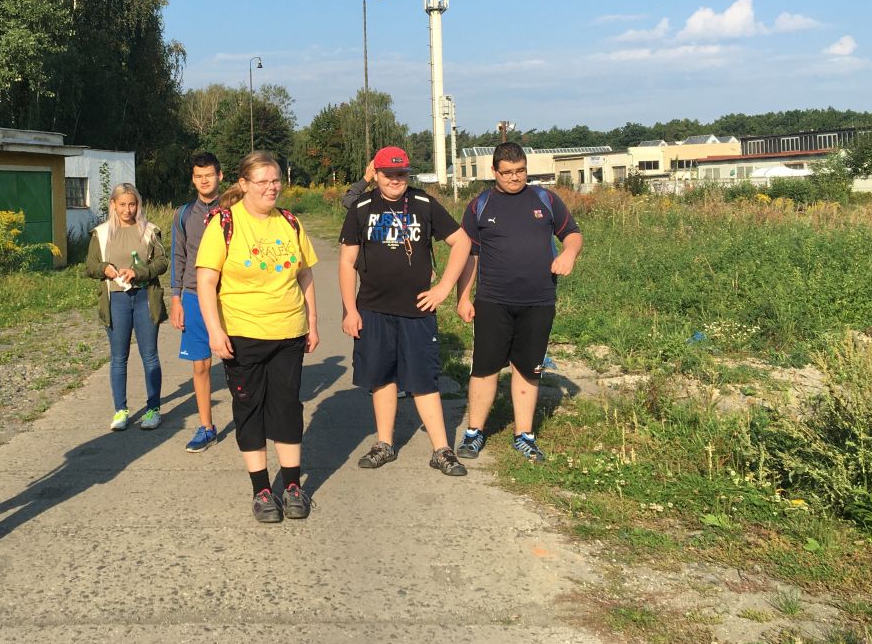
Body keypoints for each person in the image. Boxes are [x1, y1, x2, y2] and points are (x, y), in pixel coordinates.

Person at [196, 151, 319, 523]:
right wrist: (214, 330)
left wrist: (313, 322)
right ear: (244, 184)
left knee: (288, 407)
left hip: (289, 332)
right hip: (242, 335)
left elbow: (305, 275)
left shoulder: (290, 222)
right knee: (249, 409)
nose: (271, 187)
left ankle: (293, 486)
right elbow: (206, 281)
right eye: (263, 181)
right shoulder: (224, 223)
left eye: (276, 180)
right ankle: (262, 491)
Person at [339, 146, 472, 476]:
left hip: (417, 310)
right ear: (376, 175)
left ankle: (441, 450)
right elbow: (346, 261)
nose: (395, 180)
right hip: (373, 309)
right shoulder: (361, 207)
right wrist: (350, 310)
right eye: (389, 174)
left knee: (423, 379)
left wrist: (444, 289)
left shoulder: (424, 203)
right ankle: (384, 444)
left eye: (401, 174)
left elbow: (463, 242)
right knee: (382, 377)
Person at [454, 142, 583, 464]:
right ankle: (474, 432)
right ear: (494, 172)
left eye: (521, 171)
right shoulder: (480, 205)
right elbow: (468, 256)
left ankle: (524, 435)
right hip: (492, 301)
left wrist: (569, 254)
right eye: (508, 172)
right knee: (484, 368)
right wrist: (463, 297)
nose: (515, 177)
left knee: (528, 368)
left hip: (538, 301)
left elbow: (572, 233)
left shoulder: (545, 199)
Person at [85, 183, 168, 431]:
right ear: (113, 204)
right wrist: (105, 269)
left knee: (150, 356)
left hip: (144, 298)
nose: (127, 210)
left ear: (138, 204)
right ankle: (120, 410)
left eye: (132, 204)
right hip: (116, 300)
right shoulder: (100, 233)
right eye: (122, 204)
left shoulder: (150, 230)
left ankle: (153, 409)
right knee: (119, 357)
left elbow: (162, 263)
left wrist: (139, 272)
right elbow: (90, 266)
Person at [169, 152, 224, 451]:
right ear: (193, 179)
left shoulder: (233, 210)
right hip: (193, 295)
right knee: (201, 366)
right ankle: (206, 427)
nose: (204, 180)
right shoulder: (183, 214)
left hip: (228, 295)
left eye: (209, 175)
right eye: (198, 176)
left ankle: (253, 422)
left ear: (219, 176)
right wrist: (176, 299)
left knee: (241, 363)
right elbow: (178, 256)